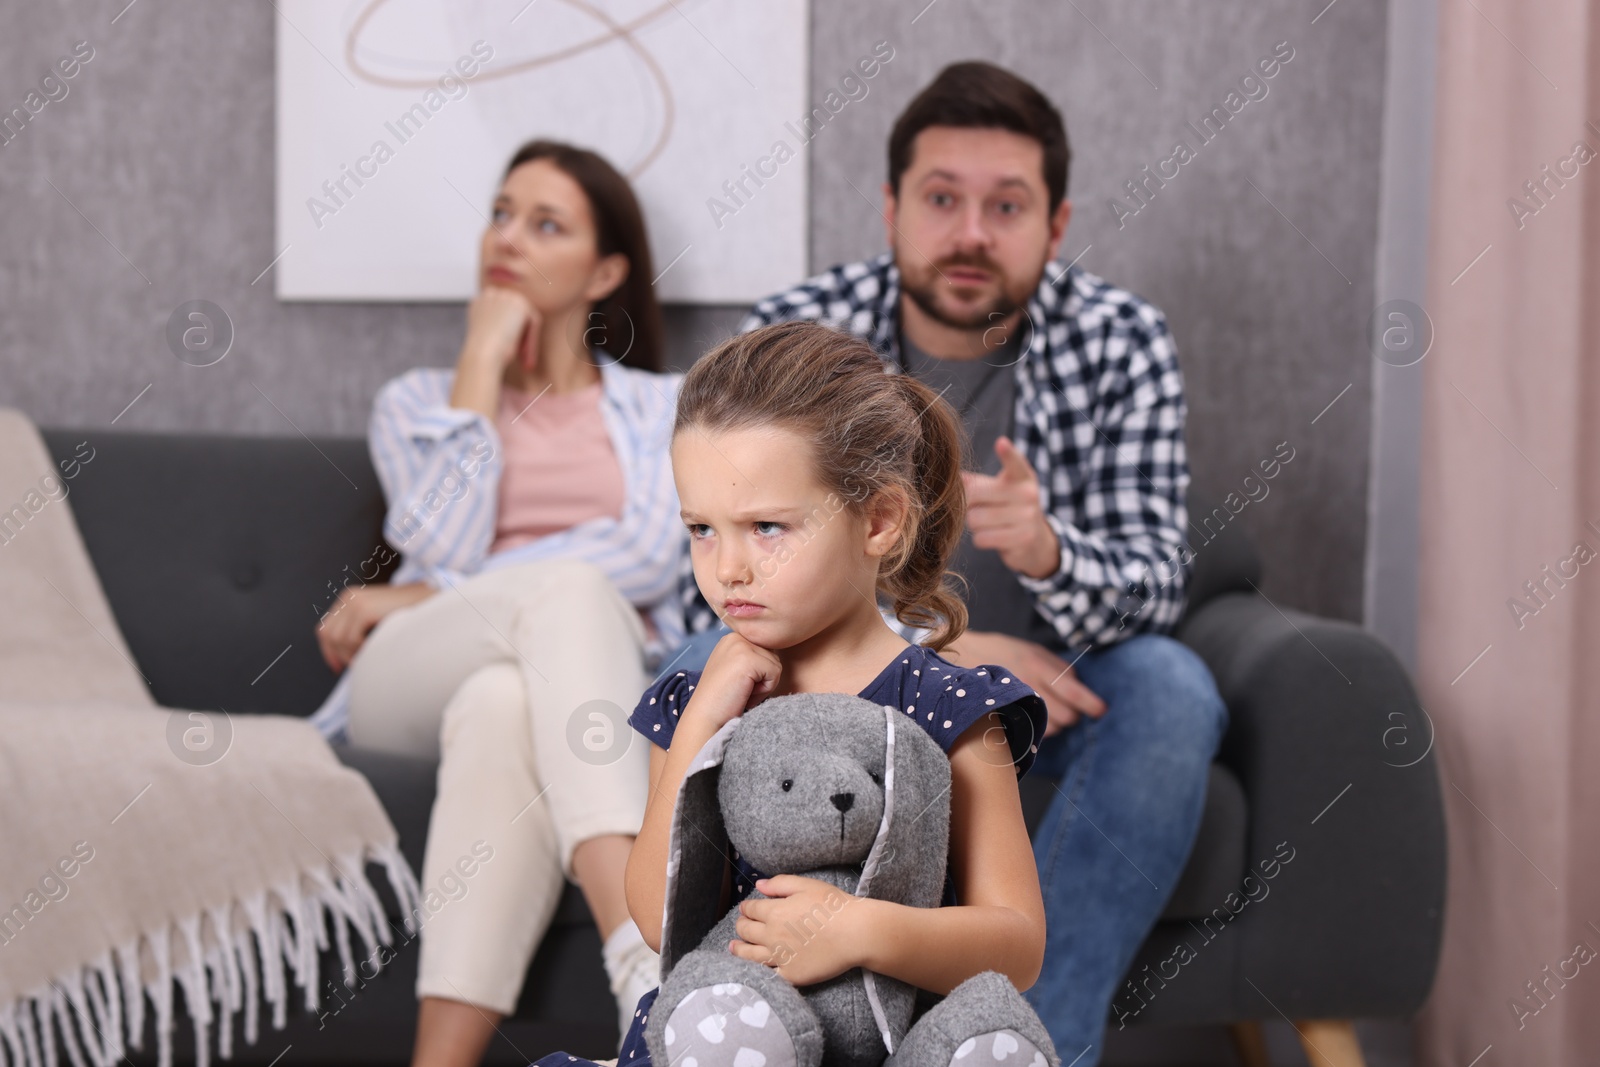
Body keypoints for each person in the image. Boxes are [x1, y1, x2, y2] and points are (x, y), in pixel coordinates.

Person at [673, 63, 1228, 1064]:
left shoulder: (1120, 340)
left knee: (1174, 685)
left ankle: (1025, 1045)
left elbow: (1159, 583)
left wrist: (1051, 554)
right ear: (891, 209)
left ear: (1055, 227)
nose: (970, 232)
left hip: (1058, 684)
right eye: (941, 199)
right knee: (683, 658)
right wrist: (948, 645)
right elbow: (718, 581)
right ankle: (734, 1010)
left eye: (1005, 206)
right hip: (859, 687)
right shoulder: (801, 329)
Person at [533, 319, 1053, 1067]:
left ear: (879, 519)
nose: (729, 568)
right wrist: (701, 725)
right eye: (702, 529)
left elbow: (1017, 942)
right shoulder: (695, 702)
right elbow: (657, 919)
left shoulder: (953, 708)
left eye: (767, 526)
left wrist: (860, 928)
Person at [307, 140, 680, 1067]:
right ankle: (649, 968)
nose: (507, 238)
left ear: (605, 271)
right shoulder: (417, 402)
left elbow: (647, 550)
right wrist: (480, 357)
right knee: (561, 594)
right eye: (501, 212)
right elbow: (440, 540)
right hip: (407, 680)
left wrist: (425, 592)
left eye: (544, 224)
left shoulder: (664, 407)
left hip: (570, 684)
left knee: (506, 698)